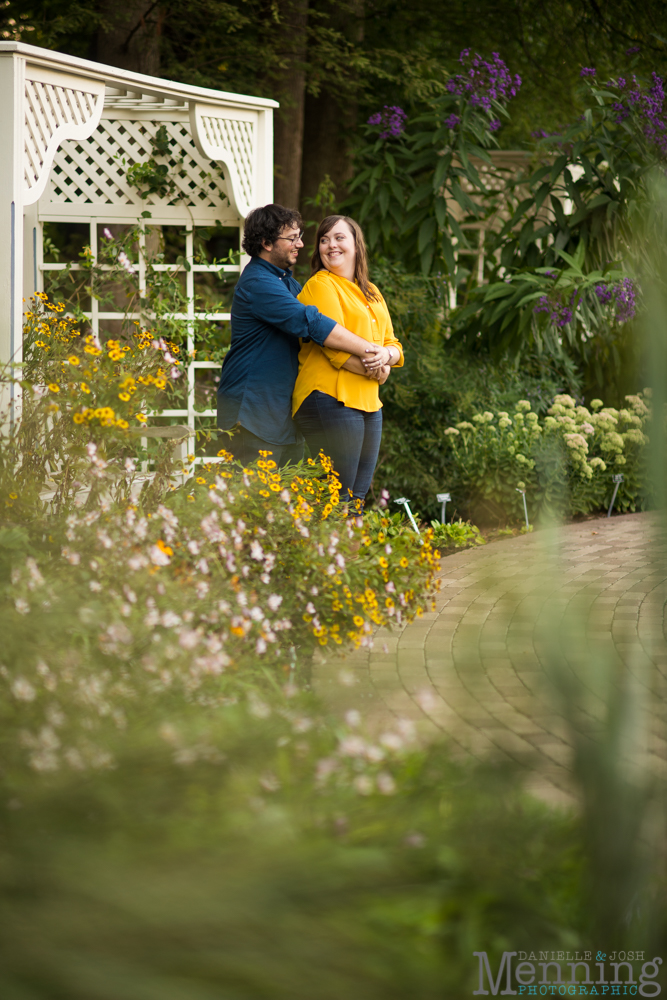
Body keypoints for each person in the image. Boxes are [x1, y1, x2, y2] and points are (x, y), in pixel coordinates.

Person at [217, 204, 390, 467]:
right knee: (248, 503)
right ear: (266, 243)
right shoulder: (258, 284)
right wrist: (373, 354)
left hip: (281, 417)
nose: (300, 244)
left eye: (299, 236)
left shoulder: (287, 283)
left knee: (284, 505)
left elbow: (320, 345)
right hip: (253, 412)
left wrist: (379, 361)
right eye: (292, 238)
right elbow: (313, 325)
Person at [292, 215, 403, 509]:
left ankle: (349, 555)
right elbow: (333, 348)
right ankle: (325, 553)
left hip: (368, 400)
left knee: (356, 499)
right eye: (324, 240)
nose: (331, 245)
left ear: (356, 245)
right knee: (337, 497)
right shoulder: (320, 285)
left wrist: (387, 359)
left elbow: (393, 345)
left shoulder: (372, 292)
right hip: (328, 396)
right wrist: (379, 369)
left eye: (339, 237)